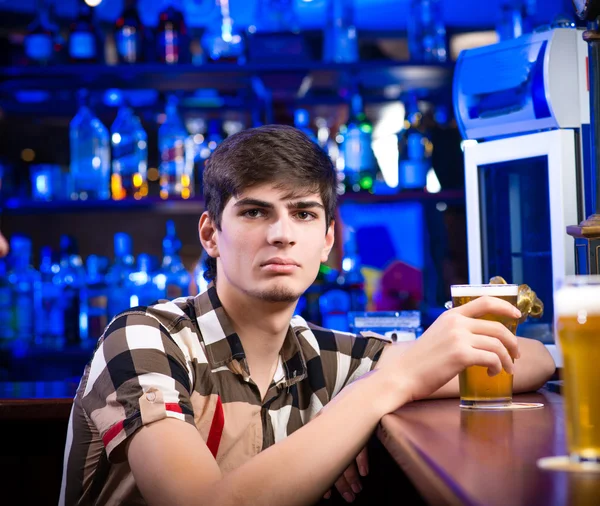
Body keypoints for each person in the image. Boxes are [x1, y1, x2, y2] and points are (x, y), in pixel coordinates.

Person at [60, 125, 555, 506]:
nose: (281, 234)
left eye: (303, 214)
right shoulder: (144, 337)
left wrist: (360, 407)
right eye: (254, 212)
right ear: (210, 235)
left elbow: (533, 360)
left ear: (327, 242)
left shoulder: (321, 356)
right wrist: (376, 394)